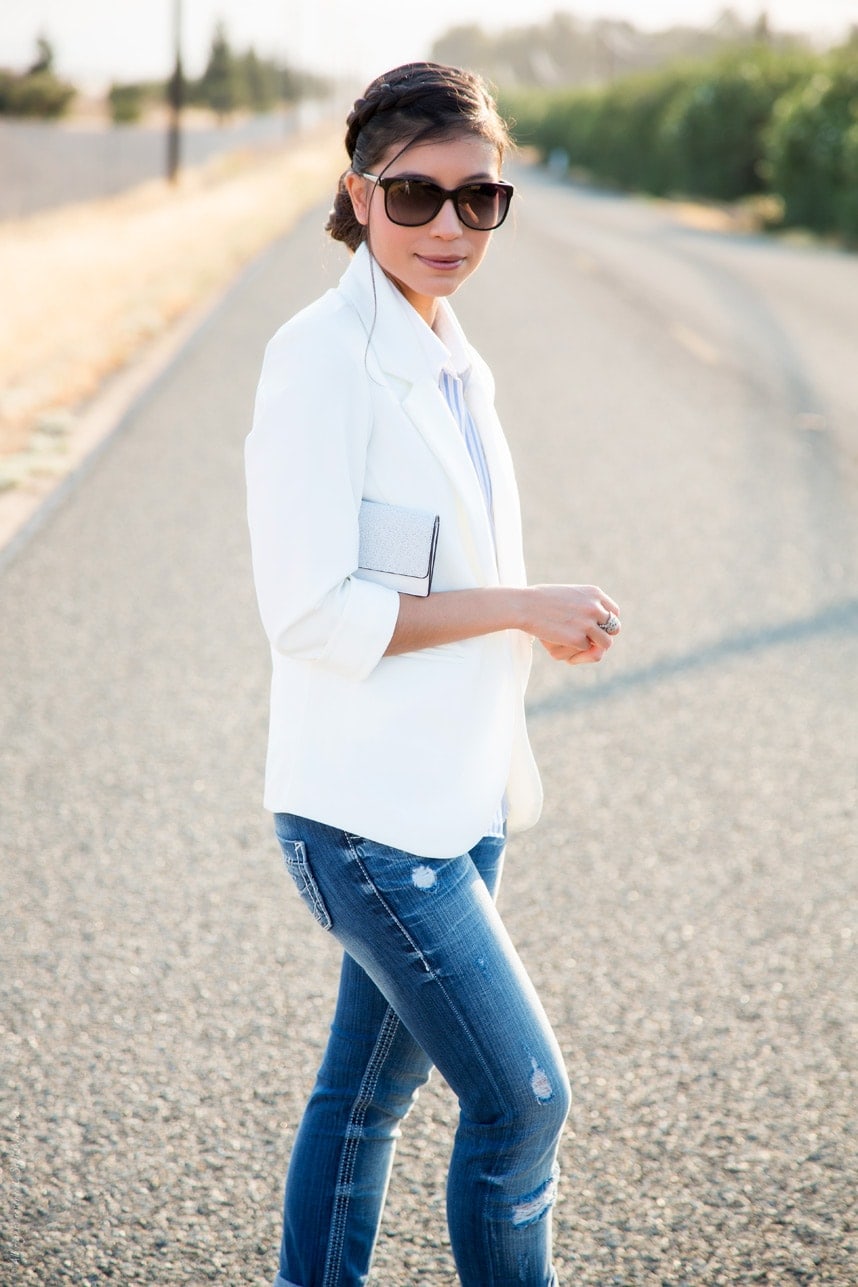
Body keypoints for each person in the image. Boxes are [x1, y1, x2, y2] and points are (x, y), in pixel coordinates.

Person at [245, 60, 620, 1287]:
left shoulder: (452, 355)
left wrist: (523, 618)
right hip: (368, 821)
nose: (451, 227)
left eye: (481, 200)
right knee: (523, 1106)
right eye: (416, 197)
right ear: (359, 194)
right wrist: (521, 606)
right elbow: (310, 613)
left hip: (455, 804)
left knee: (361, 1106)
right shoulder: (321, 359)